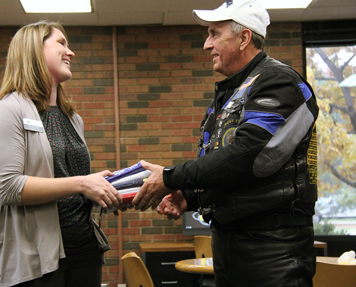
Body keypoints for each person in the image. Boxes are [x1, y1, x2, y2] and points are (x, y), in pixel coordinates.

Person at [133, 0, 319, 286]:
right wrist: (190, 195)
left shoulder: (279, 82)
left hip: (272, 252)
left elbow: (248, 157)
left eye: (214, 34)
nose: (207, 45)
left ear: (244, 38)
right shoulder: (234, 91)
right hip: (230, 246)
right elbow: (229, 170)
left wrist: (170, 177)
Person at [0, 21, 122, 287]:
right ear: (34, 50)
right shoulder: (5, 111)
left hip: (83, 250)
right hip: (34, 260)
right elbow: (8, 188)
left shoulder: (72, 117)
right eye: (61, 43)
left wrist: (104, 191)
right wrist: (82, 183)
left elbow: (67, 180)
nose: (71, 52)